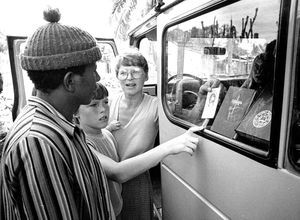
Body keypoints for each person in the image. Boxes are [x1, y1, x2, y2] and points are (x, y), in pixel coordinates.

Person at [0, 8, 114, 220]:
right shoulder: (38, 143)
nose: (98, 77)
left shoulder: (63, 124)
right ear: (70, 81)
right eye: (93, 69)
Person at [75, 82, 200, 218]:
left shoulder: (107, 134)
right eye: (93, 105)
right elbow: (118, 172)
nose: (103, 109)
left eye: (105, 102)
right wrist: (169, 147)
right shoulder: (82, 144)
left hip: (117, 206)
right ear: (75, 112)